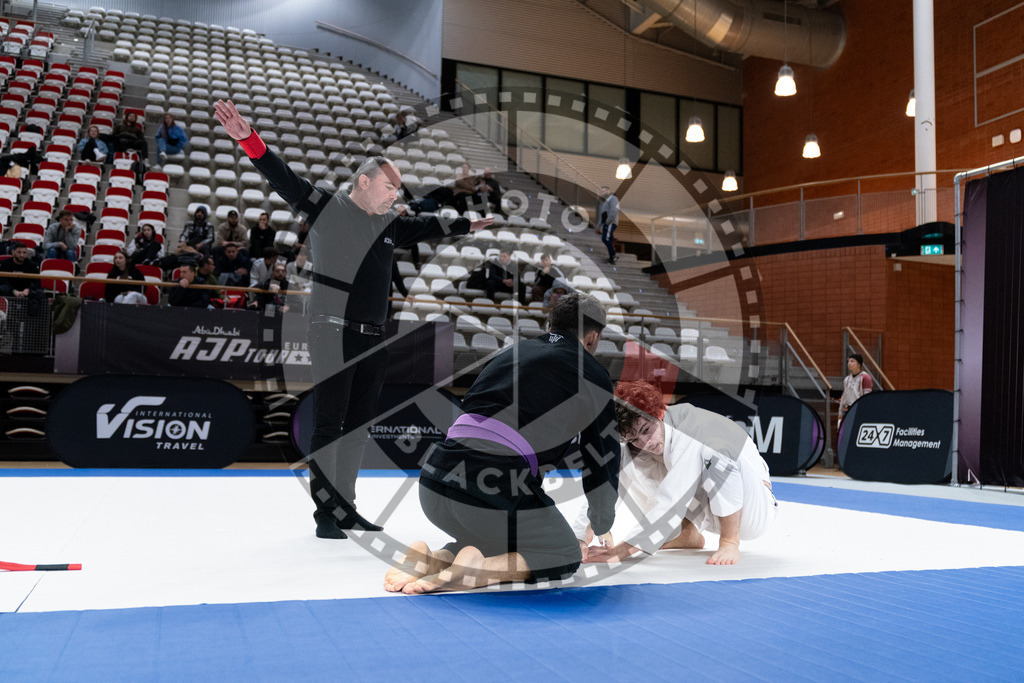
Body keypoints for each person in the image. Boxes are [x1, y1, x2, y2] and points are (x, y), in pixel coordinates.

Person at [214, 98, 493, 540]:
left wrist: (468, 225)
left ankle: (345, 506)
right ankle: (326, 514)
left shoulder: (388, 224)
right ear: (364, 182)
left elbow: (427, 226)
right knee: (330, 422)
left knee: (360, 425)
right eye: (388, 188)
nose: (394, 195)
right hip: (332, 331)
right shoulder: (331, 208)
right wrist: (249, 140)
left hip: (374, 337)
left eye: (397, 191)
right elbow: (285, 180)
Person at [384, 293, 620, 594]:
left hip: (433, 483)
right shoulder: (593, 375)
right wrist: (601, 521)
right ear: (592, 338)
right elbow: (601, 456)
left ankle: (435, 557)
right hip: (491, 489)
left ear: (551, 325)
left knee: (502, 537)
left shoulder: (511, 353)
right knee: (564, 552)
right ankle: (478, 570)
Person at [583, 381, 777, 567]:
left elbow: (671, 502)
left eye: (646, 430)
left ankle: (729, 542)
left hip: (751, 511)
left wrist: (620, 552)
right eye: (635, 438)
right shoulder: (638, 442)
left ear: (659, 412)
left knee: (713, 453)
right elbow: (607, 482)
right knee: (631, 458)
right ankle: (686, 534)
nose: (645, 442)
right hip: (710, 512)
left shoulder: (692, 428)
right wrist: (585, 534)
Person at [838, 353, 874, 420]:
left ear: (859, 364)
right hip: (848, 410)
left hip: (859, 410)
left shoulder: (865, 377)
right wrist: (840, 412)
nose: (849, 363)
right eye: (848, 361)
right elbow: (843, 397)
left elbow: (868, 398)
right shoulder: (847, 379)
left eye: (852, 361)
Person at [596, 186, 620, 264]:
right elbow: (601, 215)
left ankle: (613, 256)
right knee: (608, 239)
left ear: (608, 191)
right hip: (607, 223)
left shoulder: (613, 199)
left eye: (603, 191)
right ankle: (612, 257)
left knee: (605, 239)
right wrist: (598, 227)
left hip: (610, 222)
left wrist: (608, 221)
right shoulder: (605, 202)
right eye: (601, 192)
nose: (602, 193)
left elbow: (614, 210)